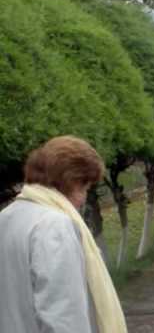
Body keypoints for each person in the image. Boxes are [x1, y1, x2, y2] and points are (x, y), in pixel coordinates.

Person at [0, 136, 128, 333]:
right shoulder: (54, 225)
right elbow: (64, 317)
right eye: (85, 188)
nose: (83, 200)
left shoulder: (7, 217)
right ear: (73, 181)